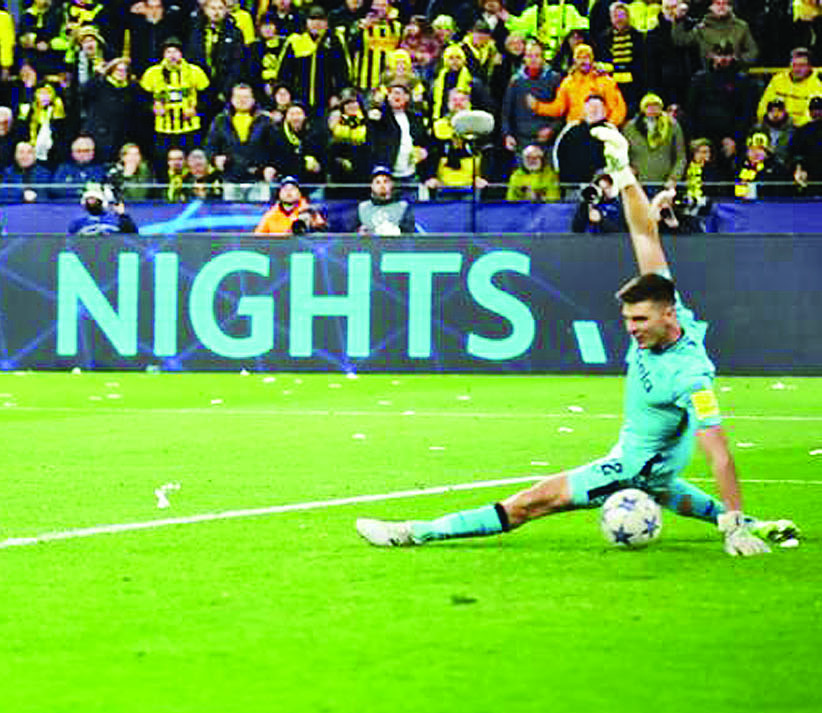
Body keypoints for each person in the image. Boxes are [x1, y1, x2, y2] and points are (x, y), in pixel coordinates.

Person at [355, 126, 799, 556]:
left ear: (666, 316)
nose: (631, 328)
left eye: (640, 320)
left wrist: (734, 527)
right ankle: (758, 524)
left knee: (529, 503)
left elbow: (718, 452)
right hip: (655, 470)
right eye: (627, 319)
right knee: (668, 488)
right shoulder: (669, 305)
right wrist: (623, 172)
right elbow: (644, 233)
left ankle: (413, 533)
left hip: (632, 470)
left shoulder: (690, 377)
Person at [354, 165, 416, 233]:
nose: (382, 186)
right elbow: (351, 234)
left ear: (392, 184)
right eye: (378, 182)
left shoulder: (403, 207)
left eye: (385, 182)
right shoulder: (362, 208)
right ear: (372, 186)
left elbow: (409, 234)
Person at [254, 175, 326, 234]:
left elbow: (322, 236)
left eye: (293, 189)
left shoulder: (310, 212)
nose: (288, 192)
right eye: (285, 189)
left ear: (300, 193)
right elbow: (258, 239)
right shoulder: (271, 215)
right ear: (279, 193)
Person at [68, 183, 137, 234]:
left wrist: (122, 215)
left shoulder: (116, 219)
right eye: (89, 200)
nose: (91, 202)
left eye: (94, 200)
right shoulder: (78, 222)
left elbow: (132, 234)